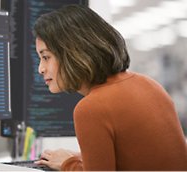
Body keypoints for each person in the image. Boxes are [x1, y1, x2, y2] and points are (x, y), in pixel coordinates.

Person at [32, 4, 187, 171]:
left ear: (73, 53)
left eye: (46, 57)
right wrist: (79, 158)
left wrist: (66, 164)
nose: (41, 68)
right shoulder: (148, 84)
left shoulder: (91, 108)